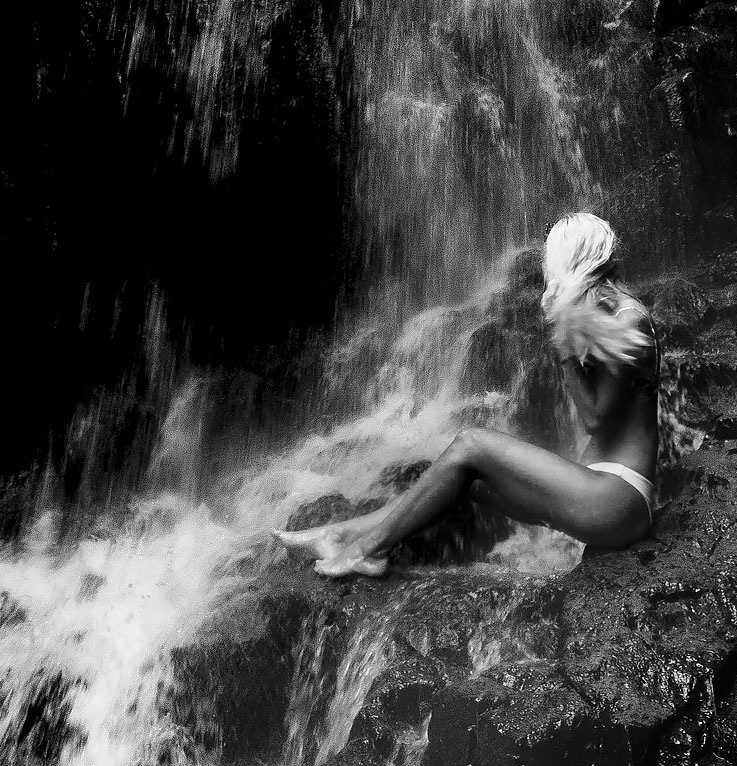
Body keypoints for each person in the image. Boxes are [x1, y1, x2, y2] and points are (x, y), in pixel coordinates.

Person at [275, 212, 660, 578]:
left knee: (471, 443)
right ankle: (346, 534)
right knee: (463, 481)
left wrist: (563, 350)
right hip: (594, 492)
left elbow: (595, 419)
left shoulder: (629, 319)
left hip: (617, 499)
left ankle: (366, 551)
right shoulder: (604, 314)